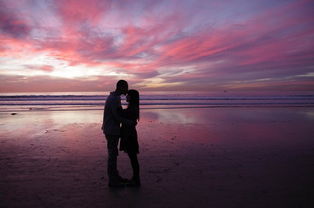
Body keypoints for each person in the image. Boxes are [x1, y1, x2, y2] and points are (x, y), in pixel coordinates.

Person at [101, 80, 135, 187]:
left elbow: (119, 113)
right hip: (111, 130)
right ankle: (112, 181)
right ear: (121, 87)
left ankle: (115, 177)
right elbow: (116, 116)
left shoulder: (115, 98)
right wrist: (129, 122)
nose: (127, 90)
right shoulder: (114, 99)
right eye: (126, 87)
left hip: (111, 129)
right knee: (112, 155)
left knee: (114, 154)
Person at [119, 89, 141, 187]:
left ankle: (136, 180)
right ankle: (135, 179)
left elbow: (121, 113)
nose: (126, 97)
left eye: (128, 95)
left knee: (133, 158)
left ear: (132, 97)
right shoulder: (133, 107)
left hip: (129, 135)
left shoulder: (132, 108)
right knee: (133, 158)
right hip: (129, 134)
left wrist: (117, 105)